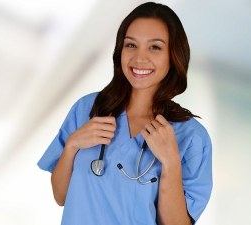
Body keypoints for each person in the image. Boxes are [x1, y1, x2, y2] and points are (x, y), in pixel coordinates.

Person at [37, 2, 212, 225]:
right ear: (120, 49)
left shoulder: (192, 137)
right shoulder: (88, 109)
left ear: (173, 55)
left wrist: (171, 163)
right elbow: (61, 197)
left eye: (155, 47)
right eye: (131, 45)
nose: (139, 58)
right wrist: (72, 145)